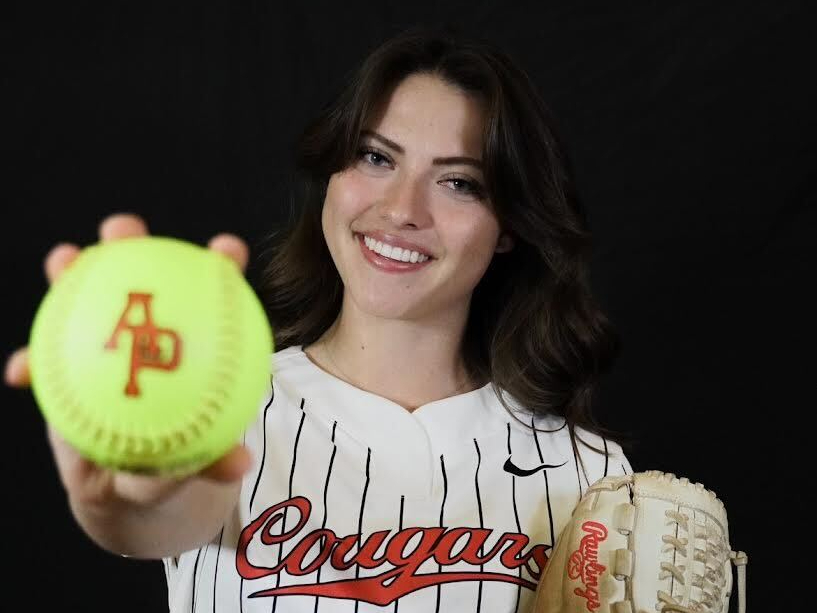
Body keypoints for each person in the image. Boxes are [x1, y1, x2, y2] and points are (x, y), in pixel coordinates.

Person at [5, 27, 632, 613]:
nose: (401, 210)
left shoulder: (591, 476)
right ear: (332, 175)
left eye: (460, 183)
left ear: (509, 227)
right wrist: (136, 491)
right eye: (376, 158)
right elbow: (161, 517)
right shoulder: (219, 407)